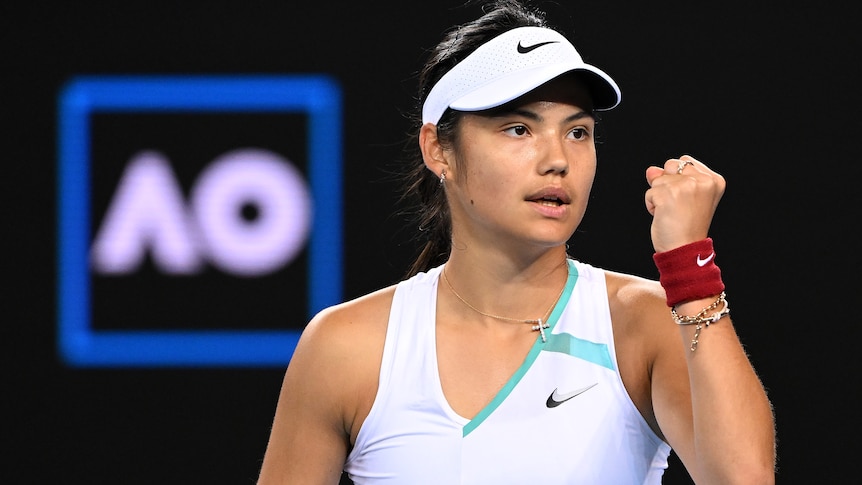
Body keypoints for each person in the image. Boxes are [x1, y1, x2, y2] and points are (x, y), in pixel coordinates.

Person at [256, 0, 776, 483]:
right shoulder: (347, 347)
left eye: (577, 132)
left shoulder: (643, 324)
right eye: (518, 129)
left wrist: (690, 268)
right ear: (438, 149)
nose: (557, 159)